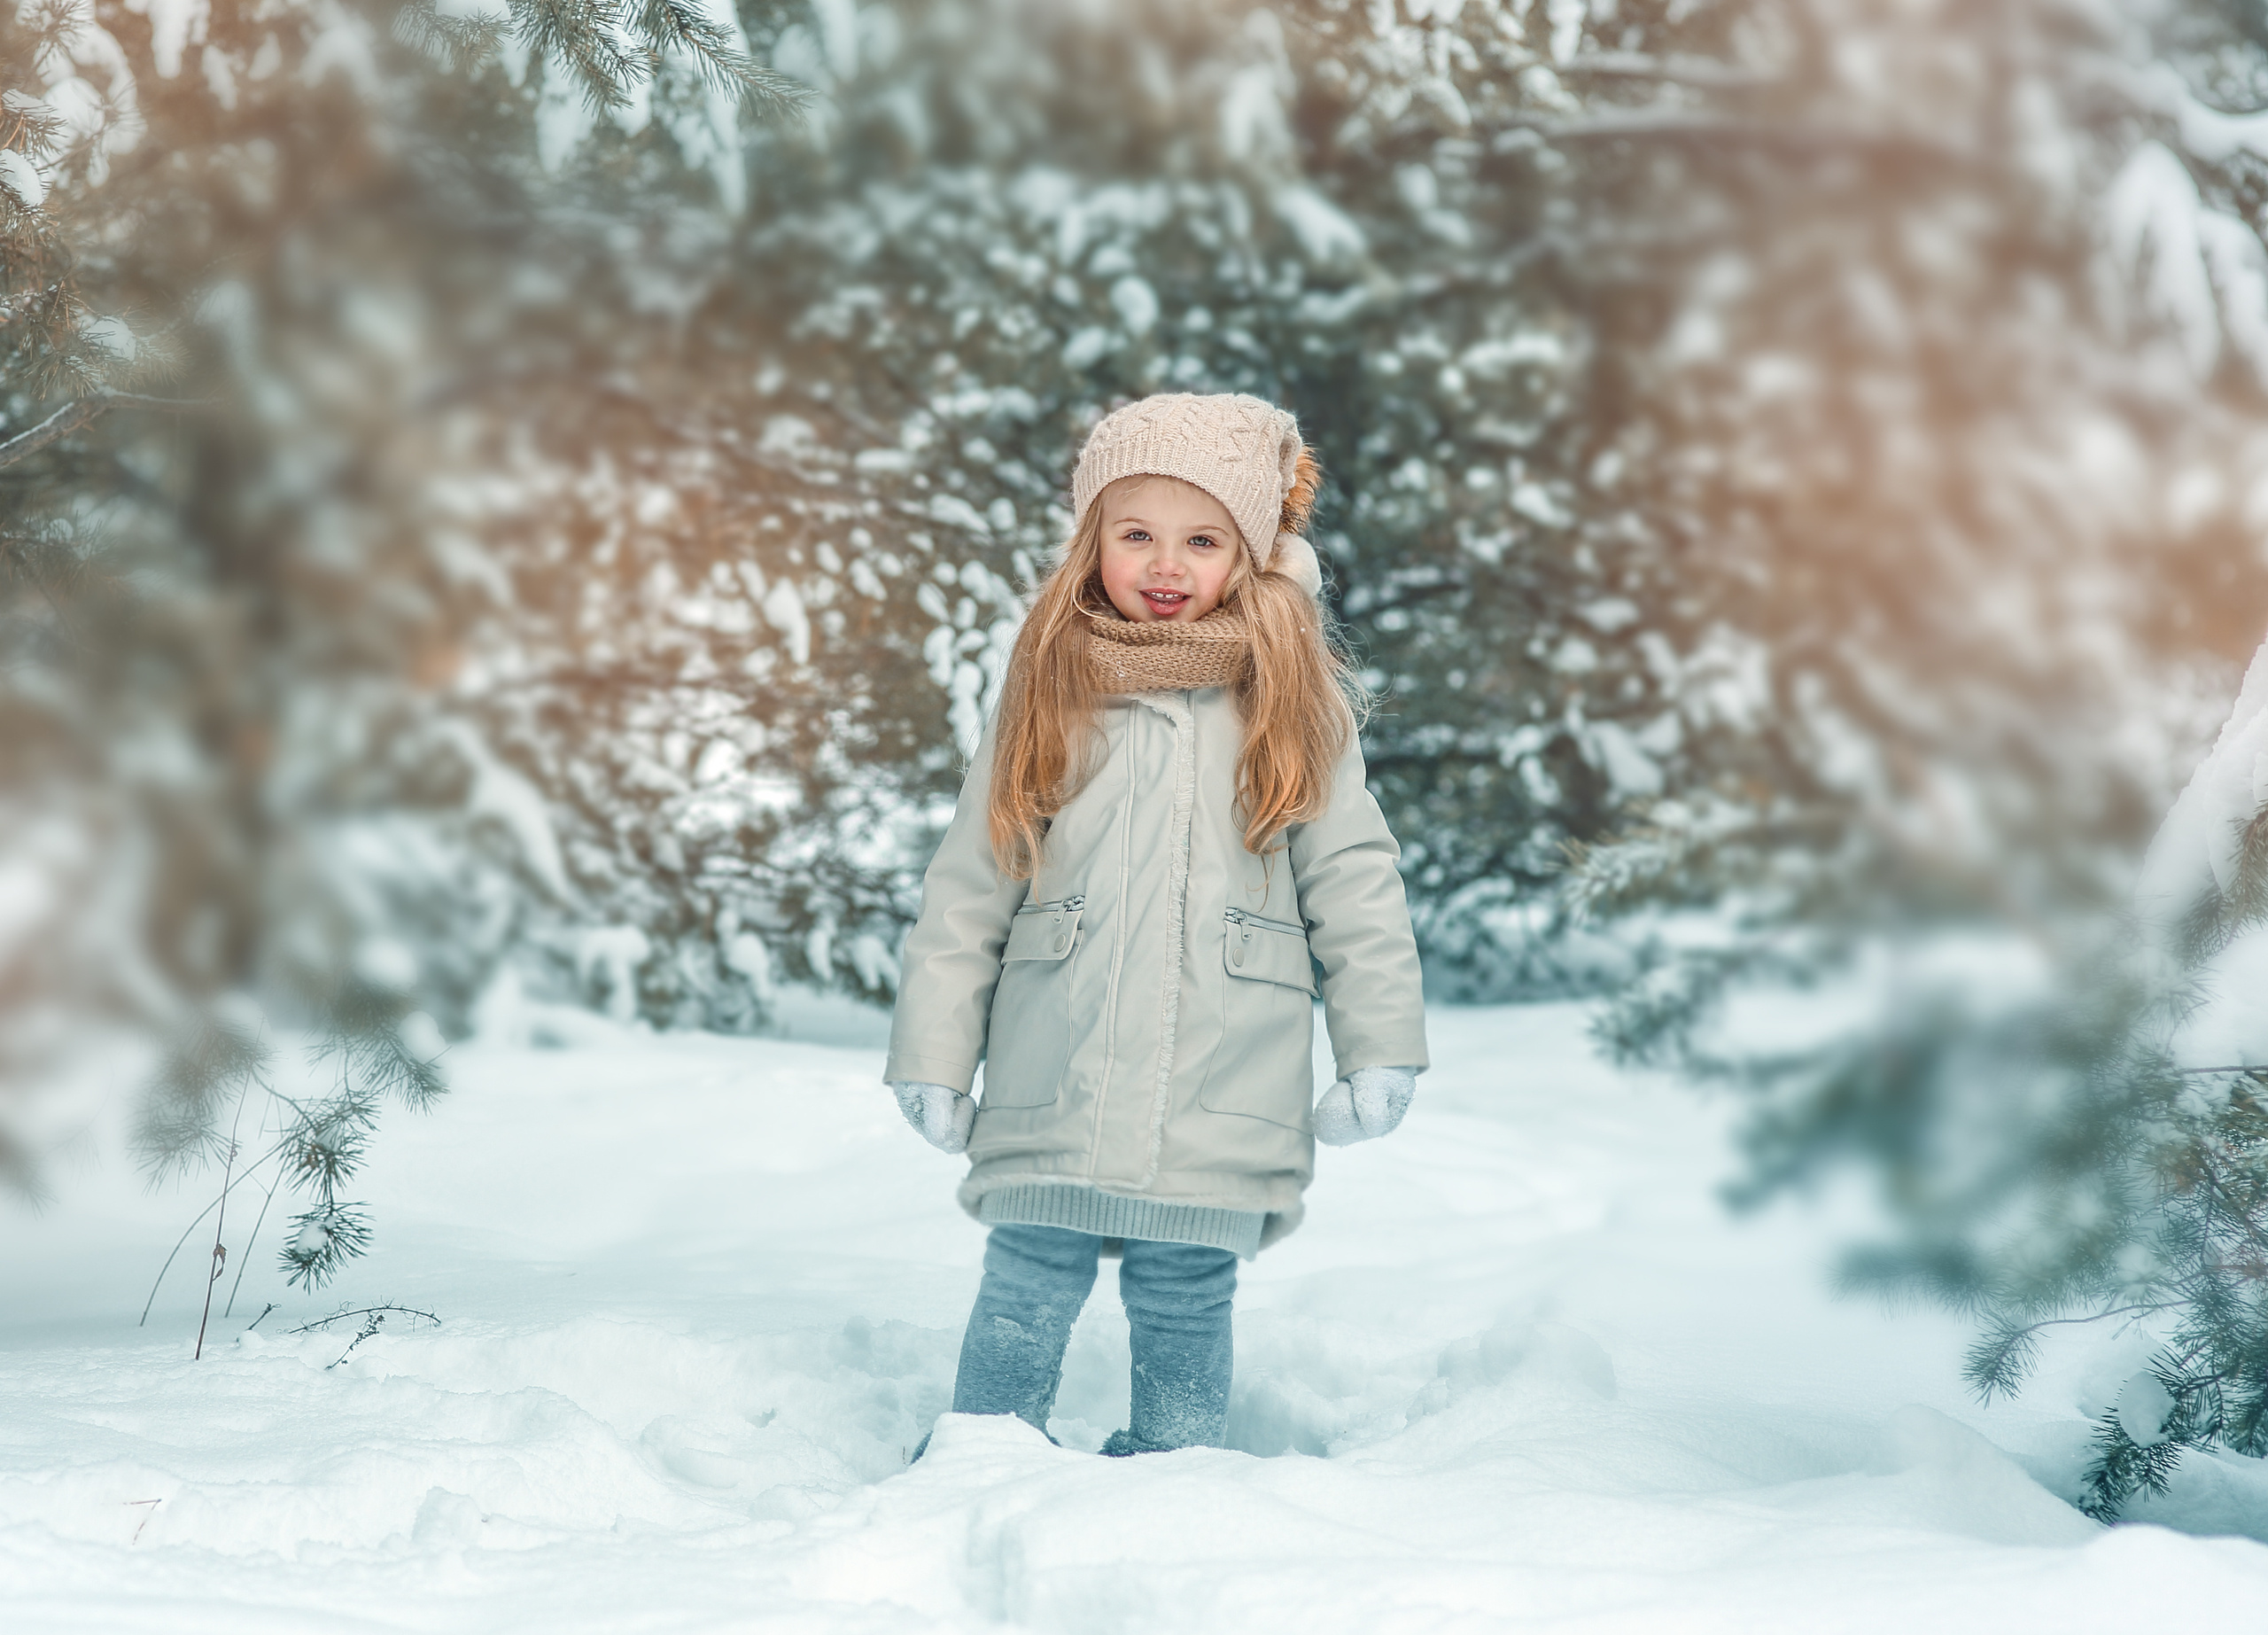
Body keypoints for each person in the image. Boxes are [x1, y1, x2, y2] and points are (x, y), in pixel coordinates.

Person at [885, 392, 1428, 1457]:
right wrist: (935, 1054)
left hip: (1224, 1067)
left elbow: (1355, 881)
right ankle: (978, 1461)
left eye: (1202, 539)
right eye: (1136, 534)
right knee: (1026, 1280)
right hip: (1061, 1056)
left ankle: (1175, 1477)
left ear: (1249, 552)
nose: (1166, 565)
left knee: (1185, 1289)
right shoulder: (1052, 683)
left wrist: (1382, 1048)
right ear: (1093, 540)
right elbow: (971, 879)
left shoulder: (1288, 693)